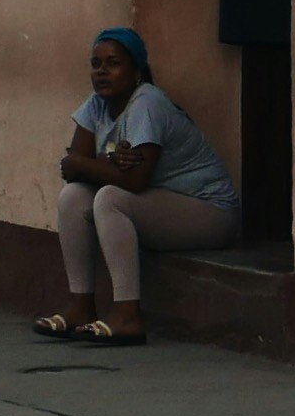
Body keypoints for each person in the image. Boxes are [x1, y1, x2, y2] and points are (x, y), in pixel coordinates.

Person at [39, 27, 239, 344]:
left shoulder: (147, 103)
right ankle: (81, 306)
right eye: (96, 63)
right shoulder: (96, 104)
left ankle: (128, 315)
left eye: (113, 63)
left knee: (110, 199)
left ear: (136, 71)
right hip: (160, 205)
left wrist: (89, 164)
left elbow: (131, 179)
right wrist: (106, 159)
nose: (102, 71)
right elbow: (74, 171)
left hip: (210, 211)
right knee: (74, 197)